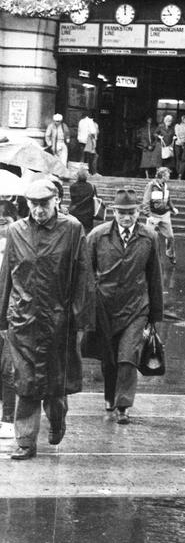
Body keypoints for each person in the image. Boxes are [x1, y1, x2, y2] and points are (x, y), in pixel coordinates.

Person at [0, 177, 93, 460]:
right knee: (25, 381)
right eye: (33, 204)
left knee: (54, 382)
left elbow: (83, 275)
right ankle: (25, 441)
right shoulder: (16, 231)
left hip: (58, 320)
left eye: (44, 203)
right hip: (23, 319)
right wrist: (2, 319)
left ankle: (57, 418)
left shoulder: (73, 229)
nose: (38, 209)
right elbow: (7, 275)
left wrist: (80, 318)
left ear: (56, 202)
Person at [87, 188, 164, 425]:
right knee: (108, 358)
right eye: (122, 213)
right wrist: (86, 307)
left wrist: (155, 313)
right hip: (105, 306)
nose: (126, 217)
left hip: (136, 307)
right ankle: (110, 397)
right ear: (114, 212)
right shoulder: (97, 235)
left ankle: (123, 405)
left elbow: (154, 275)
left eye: (131, 212)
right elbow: (87, 274)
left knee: (127, 356)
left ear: (138, 212)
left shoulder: (149, 237)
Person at [0, 199, 17, 439]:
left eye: (6, 220)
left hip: (13, 315)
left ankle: (8, 418)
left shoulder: (19, 246)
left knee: (9, 368)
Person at [143, 166, 179, 265]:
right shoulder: (151, 185)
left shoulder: (165, 185)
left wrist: (173, 208)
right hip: (153, 214)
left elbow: (168, 198)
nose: (169, 177)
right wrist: (148, 215)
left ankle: (171, 254)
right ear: (163, 175)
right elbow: (146, 201)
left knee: (170, 237)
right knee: (148, 237)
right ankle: (146, 258)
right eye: (168, 175)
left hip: (165, 215)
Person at [68, 166, 96, 234]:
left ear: (77, 176)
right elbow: (95, 197)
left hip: (76, 212)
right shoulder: (91, 186)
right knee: (88, 233)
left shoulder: (73, 186)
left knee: (75, 233)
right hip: (88, 214)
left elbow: (73, 199)